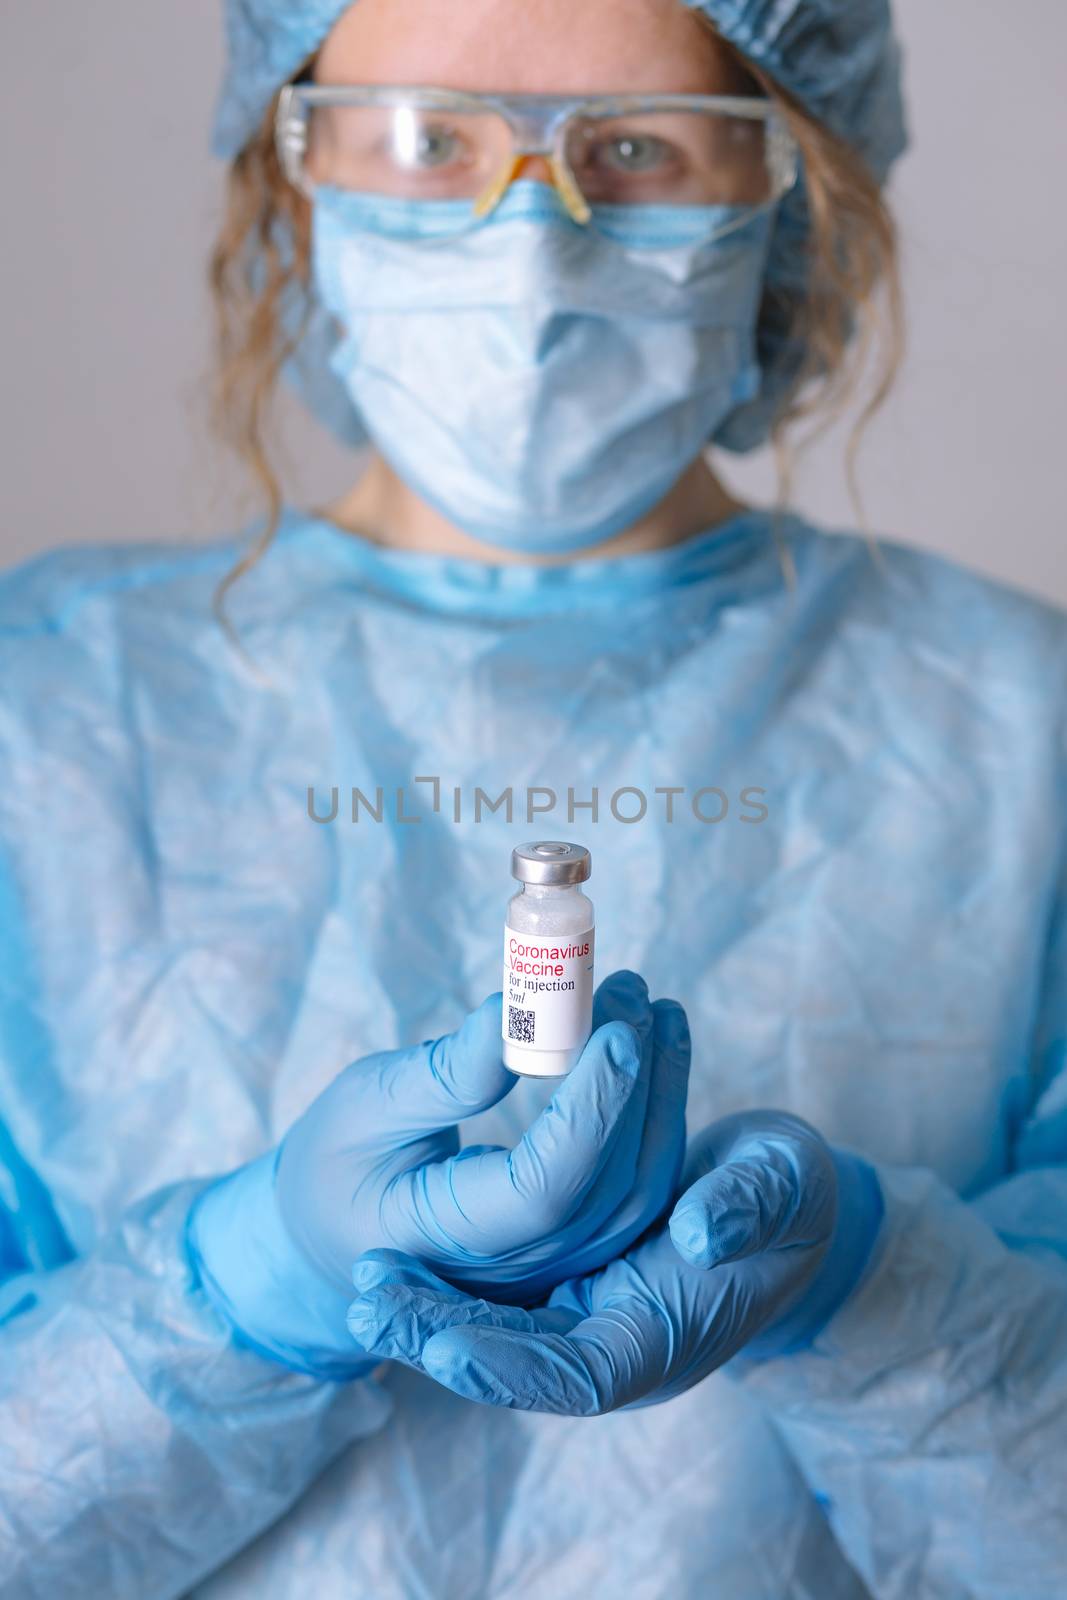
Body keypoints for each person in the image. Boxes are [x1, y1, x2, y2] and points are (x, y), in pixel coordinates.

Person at [0, 0, 1065, 1595]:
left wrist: (870, 1283)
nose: (529, 242)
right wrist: (245, 1285)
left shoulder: (1021, 725)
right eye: (429, 140)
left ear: (787, 190)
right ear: (296, 171)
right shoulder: (47, 707)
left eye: (635, 152)